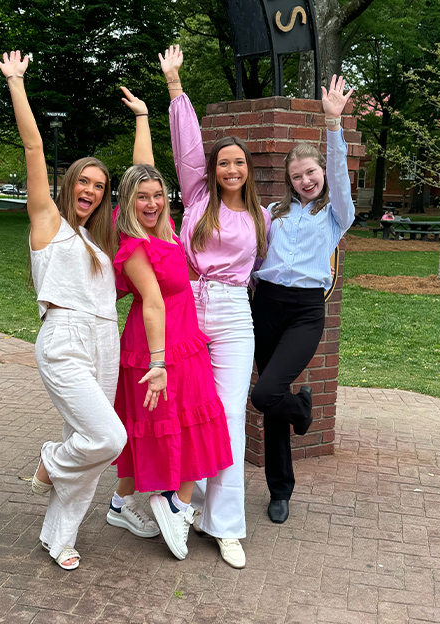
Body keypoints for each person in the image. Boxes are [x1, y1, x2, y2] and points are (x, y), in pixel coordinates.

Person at [0, 50, 128, 571]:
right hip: (64, 338)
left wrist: (143, 118)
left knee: (89, 444)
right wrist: (16, 83)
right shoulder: (47, 222)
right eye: (84, 182)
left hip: (104, 338)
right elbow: (33, 145)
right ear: (68, 183)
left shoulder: (99, 243)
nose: (91, 191)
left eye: (99, 186)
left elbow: (147, 177)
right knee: (108, 437)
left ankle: (59, 536)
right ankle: (51, 461)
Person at [160, 45, 271, 569]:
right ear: (214, 168)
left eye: (239, 163)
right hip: (188, 306)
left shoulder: (259, 217)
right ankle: (180, 500)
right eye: (224, 161)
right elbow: (185, 150)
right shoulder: (198, 197)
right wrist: (176, 89)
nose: (231, 168)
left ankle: (224, 525)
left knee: (227, 418)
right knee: (184, 411)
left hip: (232, 314)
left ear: (248, 171)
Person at [109, 159, 233, 561]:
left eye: (158, 195)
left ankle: (120, 504)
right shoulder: (134, 246)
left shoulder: (163, 232)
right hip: (160, 344)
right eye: (142, 197)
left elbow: (142, 164)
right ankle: (176, 505)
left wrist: (144, 116)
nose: (152, 203)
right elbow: (153, 305)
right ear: (127, 201)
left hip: (182, 338)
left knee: (183, 420)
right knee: (176, 422)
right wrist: (159, 363)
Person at [251, 75, 355, 525]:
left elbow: (337, 172)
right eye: (297, 176)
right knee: (275, 402)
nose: (306, 180)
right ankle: (281, 490)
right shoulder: (274, 214)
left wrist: (333, 124)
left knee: (267, 392)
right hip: (266, 305)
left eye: (310, 172)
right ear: (289, 182)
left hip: (306, 311)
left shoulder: (335, 215)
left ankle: (302, 409)